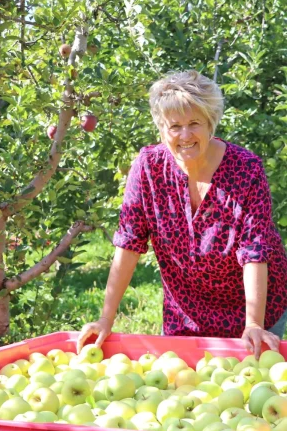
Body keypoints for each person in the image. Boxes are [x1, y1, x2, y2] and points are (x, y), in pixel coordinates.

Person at [77, 69, 287, 360]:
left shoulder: (245, 169)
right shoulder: (148, 168)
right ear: (161, 127)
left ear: (210, 122)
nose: (185, 135)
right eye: (174, 126)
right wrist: (105, 318)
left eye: (194, 123)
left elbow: (255, 249)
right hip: (186, 311)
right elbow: (129, 242)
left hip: (252, 307)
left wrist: (254, 322)